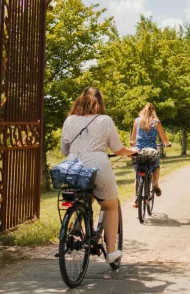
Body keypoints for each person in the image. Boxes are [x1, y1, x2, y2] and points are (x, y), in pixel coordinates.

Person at [60, 86, 137, 264]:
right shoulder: (105, 120)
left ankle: (77, 222)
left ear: (79, 101)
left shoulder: (70, 120)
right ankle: (110, 252)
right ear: (100, 102)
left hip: (73, 166)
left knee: (81, 195)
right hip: (98, 165)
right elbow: (117, 149)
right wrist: (131, 151)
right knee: (110, 206)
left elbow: (64, 149)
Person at [129, 103, 172, 206]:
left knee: (138, 175)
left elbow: (133, 139)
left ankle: (136, 198)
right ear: (153, 112)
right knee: (156, 165)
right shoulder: (156, 122)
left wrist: (133, 144)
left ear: (143, 111)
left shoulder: (137, 121)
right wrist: (167, 144)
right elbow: (164, 138)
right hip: (151, 152)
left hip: (139, 152)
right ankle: (156, 183)